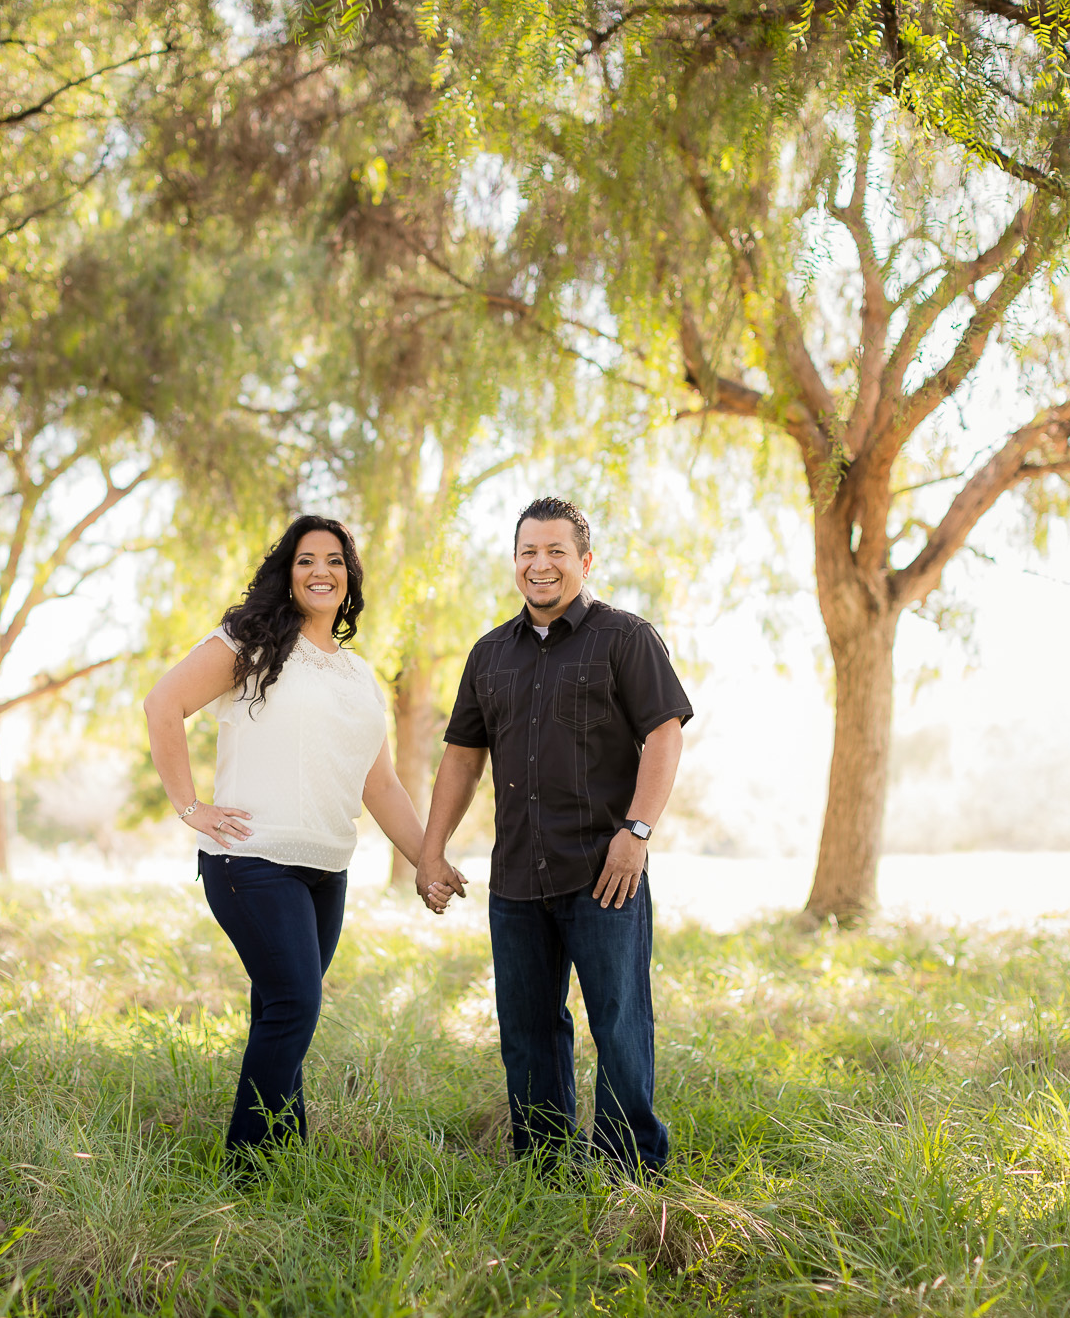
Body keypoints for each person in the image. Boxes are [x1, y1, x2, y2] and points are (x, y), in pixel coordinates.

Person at [414, 497, 691, 1176]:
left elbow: (665, 732)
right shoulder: (488, 655)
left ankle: (631, 1171)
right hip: (515, 882)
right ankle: (543, 1169)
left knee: (620, 1027)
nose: (541, 564)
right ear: (515, 562)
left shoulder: (626, 637)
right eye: (529, 552)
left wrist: (637, 830)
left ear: (584, 561)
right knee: (529, 1034)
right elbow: (461, 756)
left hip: (606, 872)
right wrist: (430, 847)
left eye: (556, 551)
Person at [144, 515, 426, 1159]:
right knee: (296, 1005)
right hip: (251, 861)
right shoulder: (251, 640)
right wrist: (190, 807)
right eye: (305, 560)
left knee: (278, 1011)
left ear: (350, 577)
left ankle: (282, 1158)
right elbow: (163, 704)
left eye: (333, 560)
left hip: (326, 867)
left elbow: (379, 785)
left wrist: (426, 861)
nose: (320, 570)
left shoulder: (358, 676)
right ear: (287, 572)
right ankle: (249, 1168)